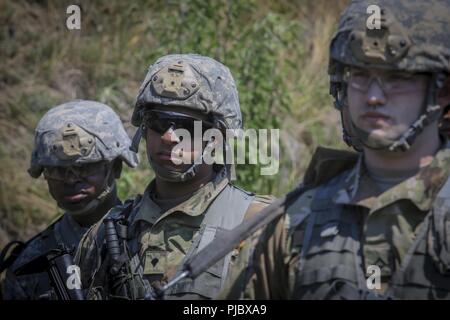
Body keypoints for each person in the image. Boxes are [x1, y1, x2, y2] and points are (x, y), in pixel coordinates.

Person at [222, 0, 450, 300]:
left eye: (397, 78)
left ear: (442, 90)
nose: (373, 97)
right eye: (360, 76)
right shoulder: (296, 219)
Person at [75, 54, 272, 300]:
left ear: (217, 136)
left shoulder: (260, 225)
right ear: (145, 129)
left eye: (185, 126)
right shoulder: (105, 233)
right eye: (158, 122)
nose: (169, 137)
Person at [0, 100, 138, 299]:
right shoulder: (29, 263)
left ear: (116, 167)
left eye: (85, 167)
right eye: (57, 170)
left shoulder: (151, 236)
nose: (71, 180)